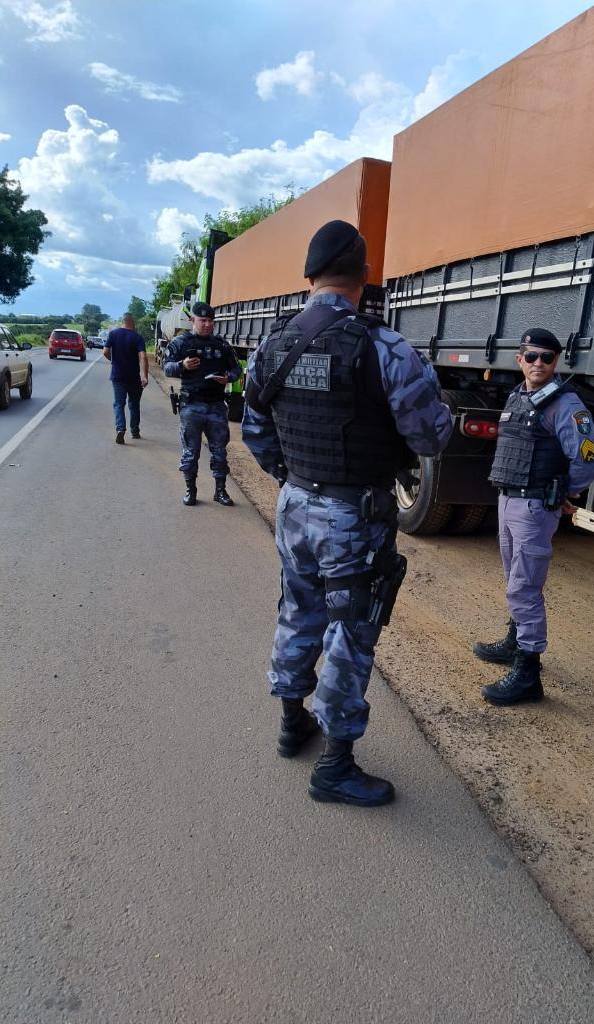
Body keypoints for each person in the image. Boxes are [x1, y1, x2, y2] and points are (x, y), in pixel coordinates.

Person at [242, 220, 453, 808]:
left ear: (308, 276)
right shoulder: (383, 346)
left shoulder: (274, 341)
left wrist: (292, 479)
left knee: (297, 607)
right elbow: (431, 437)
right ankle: (335, 767)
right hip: (351, 516)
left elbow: (254, 428)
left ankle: (292, 723)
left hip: (295, 506)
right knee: (349, 634)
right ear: (364, 278)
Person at [474, 328, 594, 706]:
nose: (539, 364)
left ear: (556, 361)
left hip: (534, 507)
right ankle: (516, 641)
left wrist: (564, 491)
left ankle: (528, 671)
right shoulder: (519, 396)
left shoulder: (565, 405)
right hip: (509, 500)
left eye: (547, 357)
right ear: (520, 359)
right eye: (532, 356)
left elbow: (586, 458)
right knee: (514, 577)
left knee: (524, 586)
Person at [162, 301, 241, 507]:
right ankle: (191, 490)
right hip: (191, 406)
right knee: (190, 453)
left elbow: (236, 369)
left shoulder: (222, 345)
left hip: (216, 406)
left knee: (220, 453)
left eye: (210, 321)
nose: (207, 324)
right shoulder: (181, 343)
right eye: (203, 320)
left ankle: (220, 491)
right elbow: (167, 367)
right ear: (192, 320)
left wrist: (228, 378)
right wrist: (182, 365)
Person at [103, 313, 148, 444]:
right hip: (134, 378)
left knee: (118, 403)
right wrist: (144, 376)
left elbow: (105, 352)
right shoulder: (137, 337)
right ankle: (135, 431)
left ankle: (120, 429)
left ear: (123, 321)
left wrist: (114, 361)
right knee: (134, 405)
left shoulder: (113, 334)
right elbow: (143, 357)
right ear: (133, 322)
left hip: (118, 376)